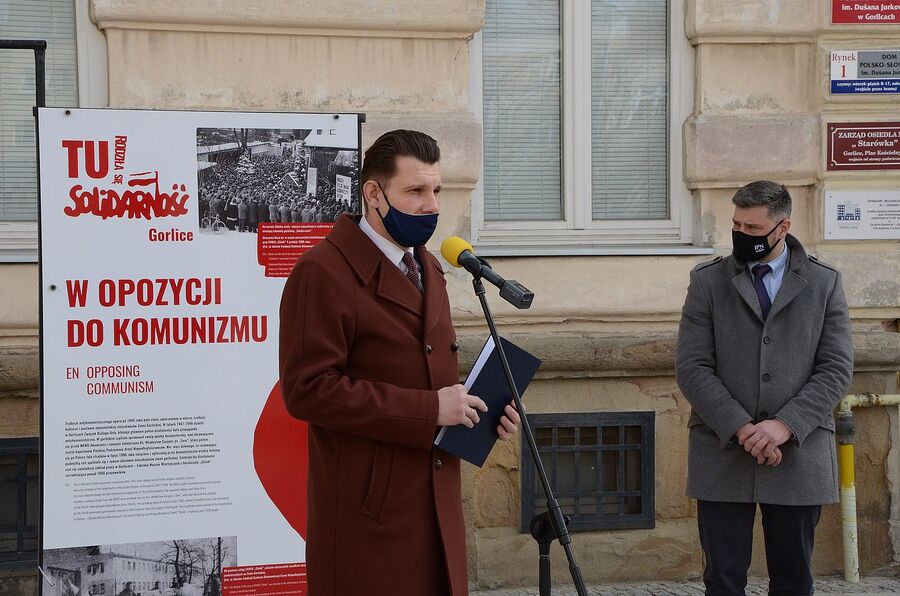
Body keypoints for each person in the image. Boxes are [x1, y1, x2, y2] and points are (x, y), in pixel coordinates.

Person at [279, 129, 520, 596]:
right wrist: (430, 411)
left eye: (436, 191)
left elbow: (427, 372)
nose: (431, 205)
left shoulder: (429, 267)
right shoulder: (322, 271)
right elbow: (307, 389)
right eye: (415, 191)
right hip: (368, 516)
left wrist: (480, 408)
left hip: (435, 501)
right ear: (374, 193)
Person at [676, 180, 853, 595]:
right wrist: (742, 427)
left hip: (798, 453)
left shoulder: (824, 283)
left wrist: (782, 426)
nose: (741, 235)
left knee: (793, 580)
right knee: (721, 580)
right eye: (736, 225)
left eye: (753, 229)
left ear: (782, 227)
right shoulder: (707, 281)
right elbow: (692, 366)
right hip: (722, 450)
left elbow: (836, 368)